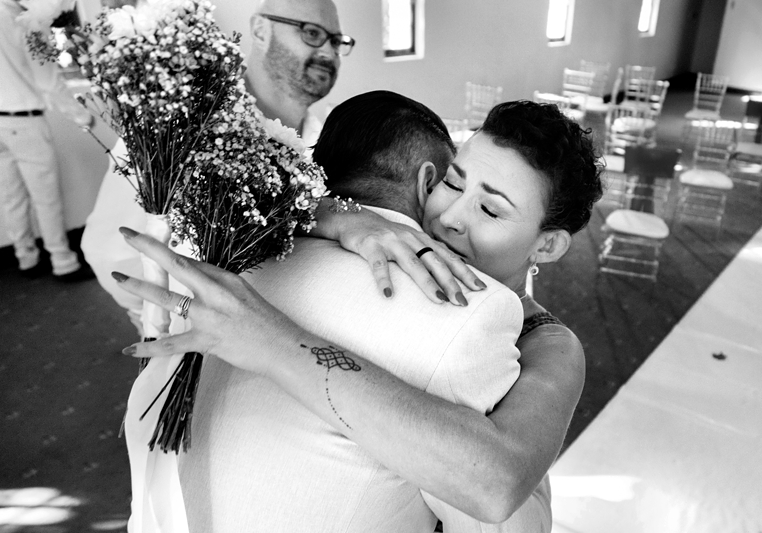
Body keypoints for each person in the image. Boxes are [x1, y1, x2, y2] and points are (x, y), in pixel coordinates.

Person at [114, 95, 604, 530]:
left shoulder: (543, 343)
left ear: (549, 245)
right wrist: (336, 214)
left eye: (491, 211)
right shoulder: (451, 314)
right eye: (453, 184)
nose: (450, 218)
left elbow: (500, 493)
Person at [80, 0, 353, 334]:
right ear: (260, 30)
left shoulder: (325, 139)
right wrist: (161, 318)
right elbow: (107, 250)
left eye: (337, 41)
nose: (328, 52)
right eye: (311, 33)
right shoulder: (174, 127)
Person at [0, 0, 94, 280]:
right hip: (24, 121)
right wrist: (82, 116)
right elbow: (49, 82)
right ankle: (63, 262)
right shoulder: (23, 22)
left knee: (12, 197)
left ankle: (26, 257)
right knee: (46, 199)